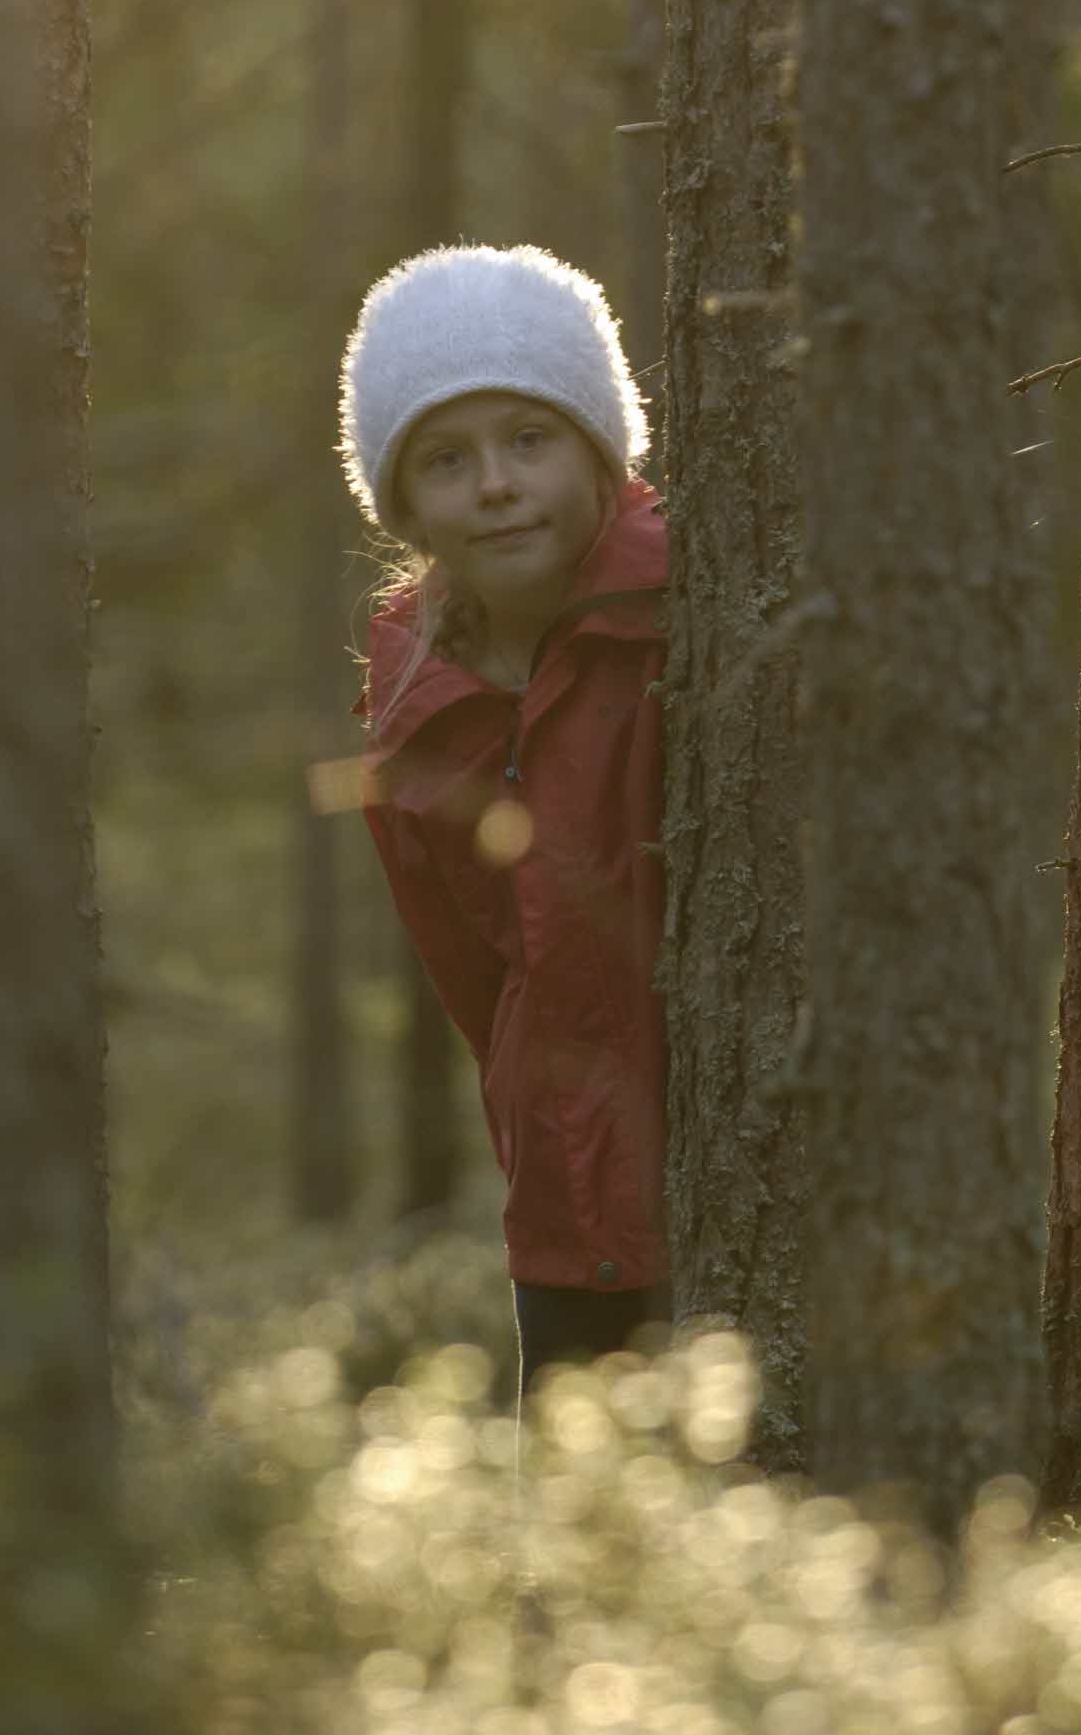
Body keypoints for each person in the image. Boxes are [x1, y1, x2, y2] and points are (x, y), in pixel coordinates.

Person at [338, 242, 672, 1402]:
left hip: (735, 1166)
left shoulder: (686, 616)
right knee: (586, 1541)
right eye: (446, 456)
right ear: (402, 499)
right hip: (564, 1201)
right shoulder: (412, 700)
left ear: (595, 448)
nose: (493, 482)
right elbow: (471, 974)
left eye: (527, 438)